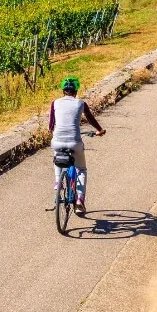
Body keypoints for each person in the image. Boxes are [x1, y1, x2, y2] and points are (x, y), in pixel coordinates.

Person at [49, 76, 104, 213]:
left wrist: (55, 134)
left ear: (63, 91)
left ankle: (57, 182)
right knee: (81, 169)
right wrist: (100, 130)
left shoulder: (54, 103)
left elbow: (50, 126)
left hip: (57, 141)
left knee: (57, 157)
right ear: (76, 91)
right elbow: (91, 119)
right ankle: (80, 199)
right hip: (74, 142)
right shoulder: (80, 103)